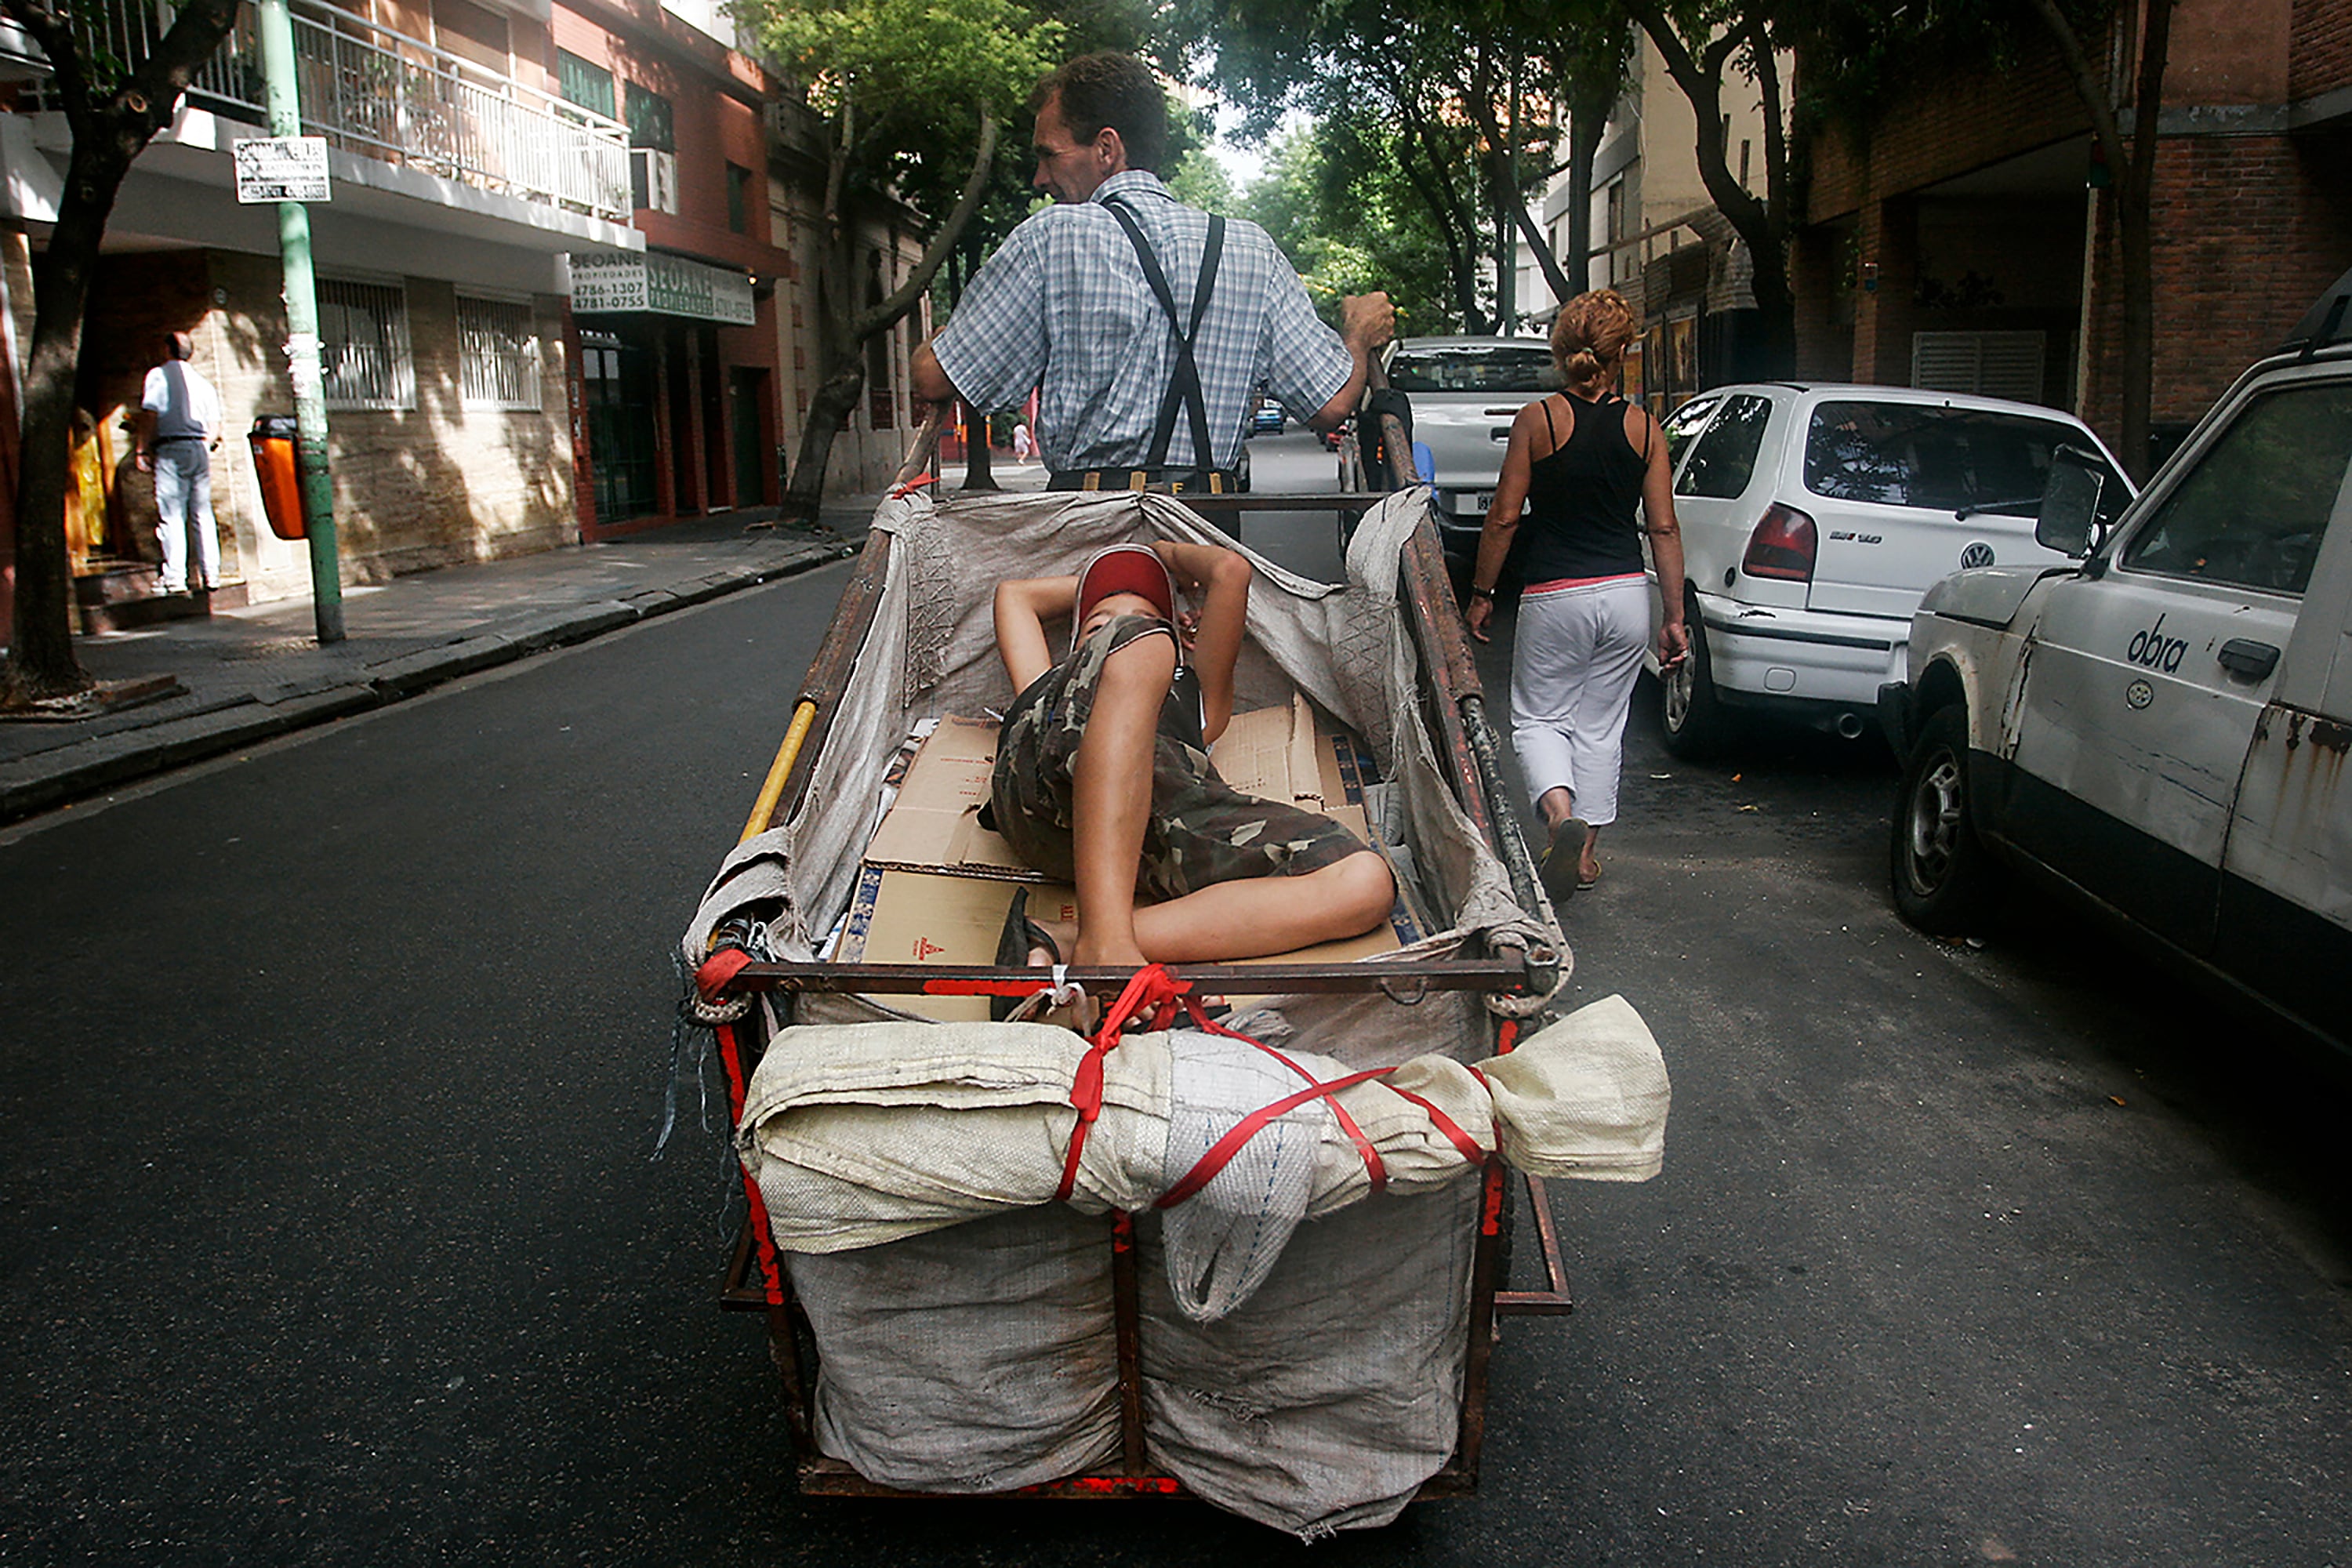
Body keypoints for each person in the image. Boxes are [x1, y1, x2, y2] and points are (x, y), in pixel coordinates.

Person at [910, 51, 1392, 495]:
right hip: (1204, 536)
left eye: (1048, 155)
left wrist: (939, 342)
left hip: (1084, 532)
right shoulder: (1250, 250)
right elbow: (1330, 405)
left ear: (1106, 149)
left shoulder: (1051, 238)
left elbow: (933, 380)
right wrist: (1356, 335)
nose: (1040, 176)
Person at [989, 540, 1396, 973]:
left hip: (1164, 824)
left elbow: (1230, 571)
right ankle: (1106, 945)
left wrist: (1165, 562)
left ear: (1182, 643)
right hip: (1044, 798)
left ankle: (1067, 938)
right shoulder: (1050, 684)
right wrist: (1120, 604)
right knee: (1135, 645)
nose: (1117, 628)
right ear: (1075, 653)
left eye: (1145, 621)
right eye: (1095, 628)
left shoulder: (1201, 700)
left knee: (1363, 882)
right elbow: (1015, 595)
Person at [1464, 290, 1689, 906]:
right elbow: (1663, 527)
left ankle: (1560, 816)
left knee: (1538, 718)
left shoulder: (1538, 419)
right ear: (1622, 356)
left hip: (1555, 593)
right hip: (1624, 594)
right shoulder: (1646, 429)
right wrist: (1674, 617)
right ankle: (1584, 858)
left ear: (1562, 352)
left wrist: (1481, 594)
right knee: (1600, 727)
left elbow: (1504, 518)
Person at [136, 331, 224, 597]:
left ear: (166, 350)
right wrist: (204, 447)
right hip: (198, 446)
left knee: (172, 512)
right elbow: (215, 425)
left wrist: (142, 449)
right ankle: (212, 573)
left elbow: (150, 414)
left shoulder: (158, 376)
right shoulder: (203, 383)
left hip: (172, 446)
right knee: (202, 512)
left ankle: (175, 577)